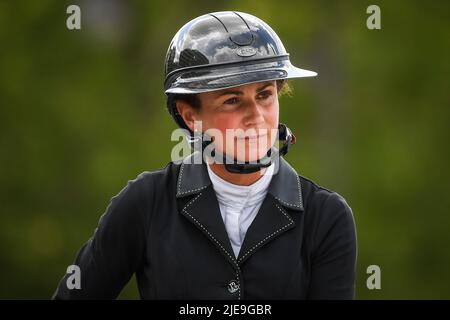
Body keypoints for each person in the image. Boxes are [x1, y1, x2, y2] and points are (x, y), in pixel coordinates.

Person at [53, 11, 357, 300]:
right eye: (232, 100)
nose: (256, 117)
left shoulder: (327, 217)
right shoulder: (143, 203)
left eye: (264, 95)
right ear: (190, 116)